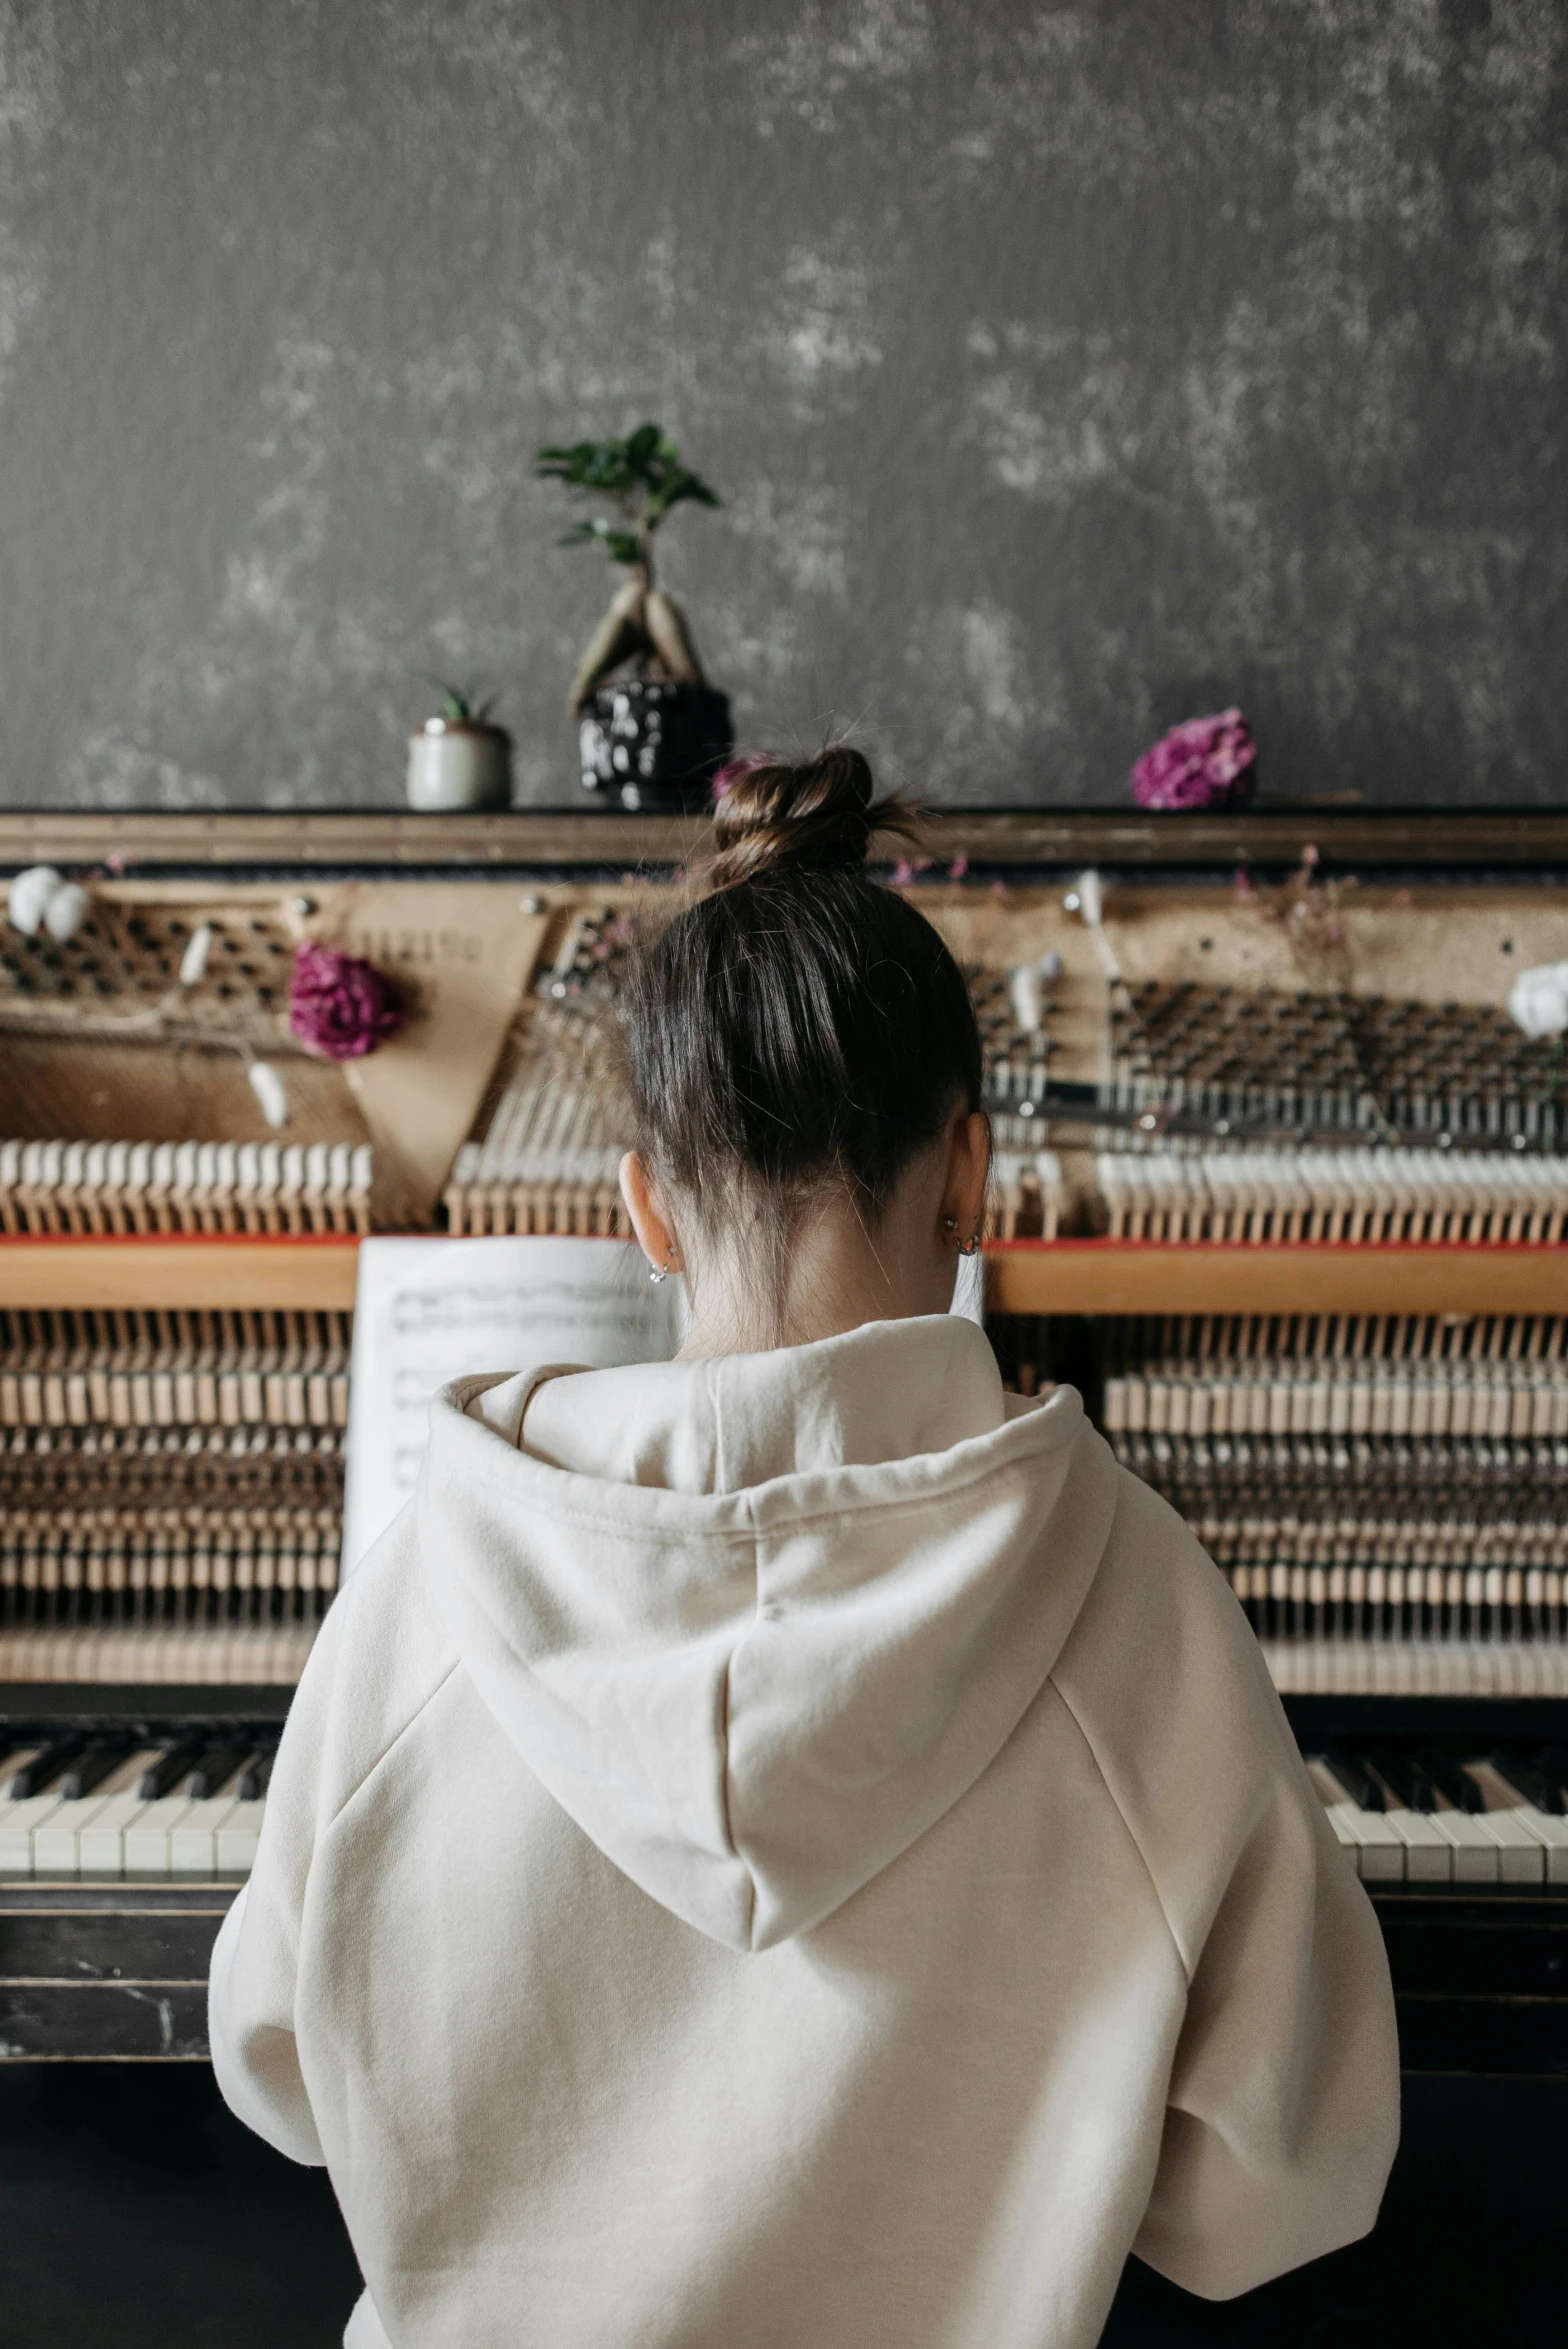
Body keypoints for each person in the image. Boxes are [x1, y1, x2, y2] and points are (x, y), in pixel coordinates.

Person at [210, 747, 1399, 2349]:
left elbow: (279, 2067)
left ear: (645, 1210)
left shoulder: (428, 1574)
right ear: (970, 1171)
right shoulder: (1139, 1595)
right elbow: (1281, 2190)